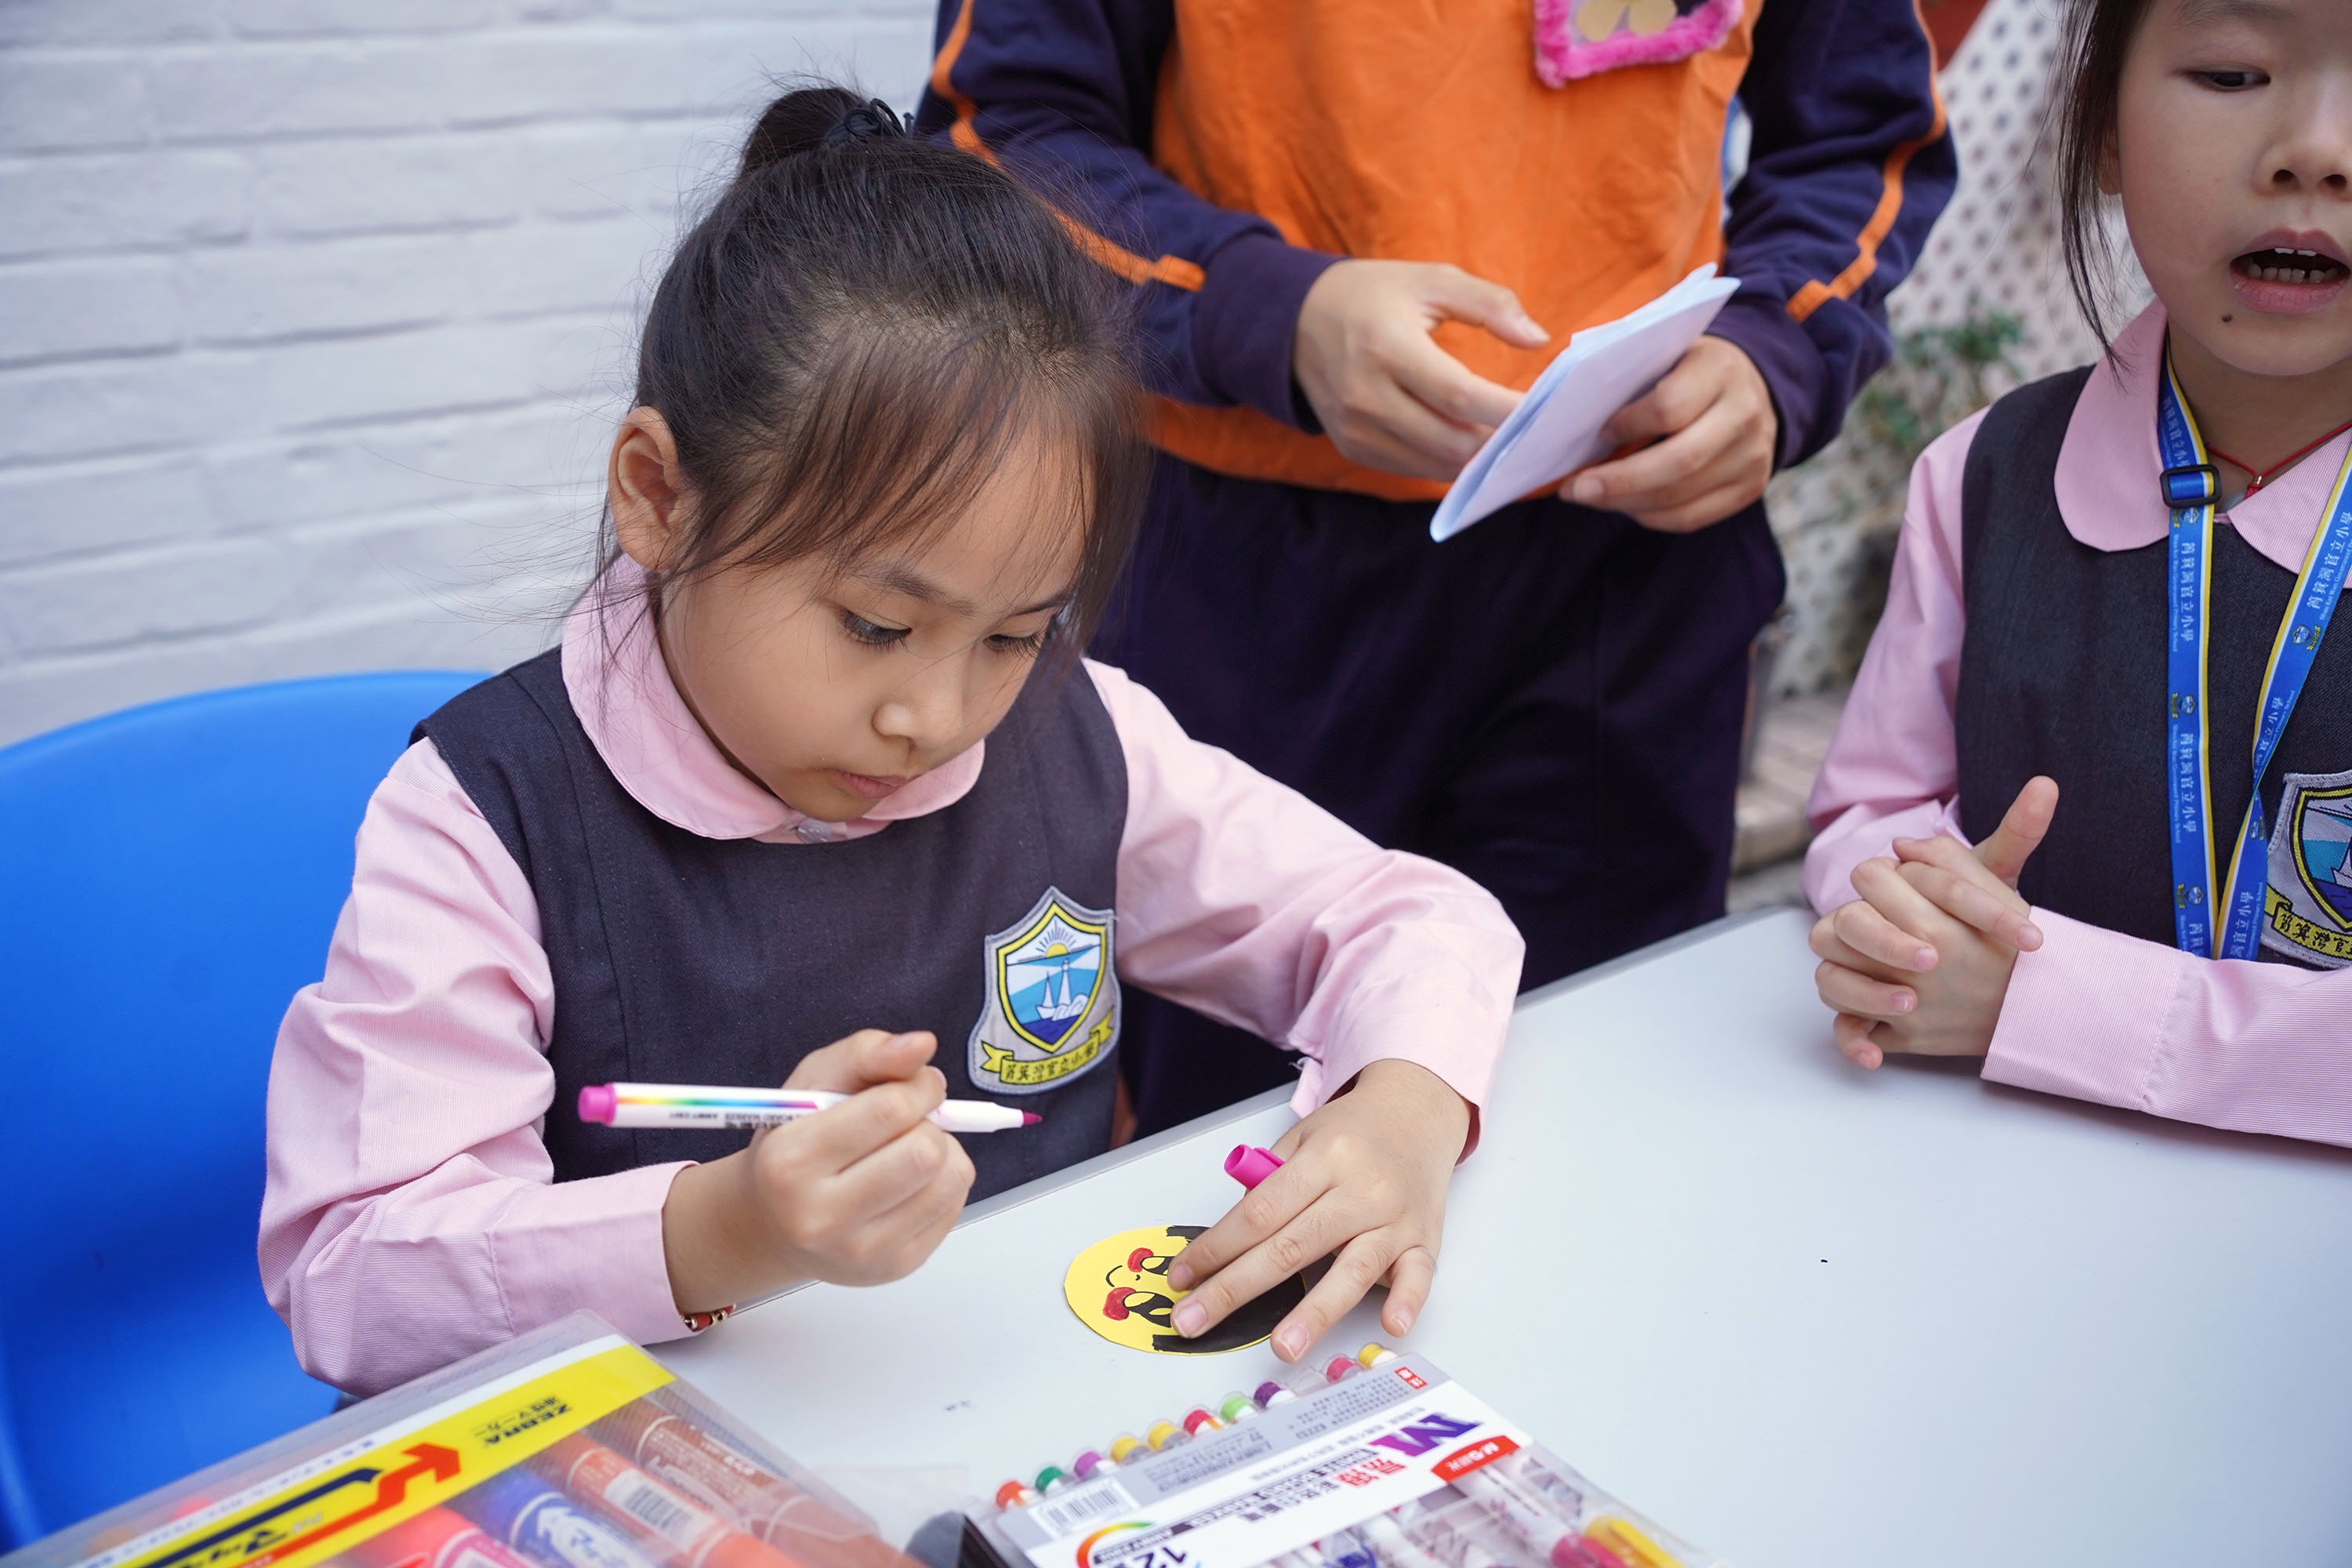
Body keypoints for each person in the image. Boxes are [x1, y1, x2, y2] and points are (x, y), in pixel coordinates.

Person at [260, 87, 1523, 1395]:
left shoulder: (1078, 738)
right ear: (659, 496)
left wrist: (1406, 1101)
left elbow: (1410, 915)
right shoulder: (488, 818)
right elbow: (351, 1280)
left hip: (1027, 1412)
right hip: (665, 1460)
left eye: (1014, 633)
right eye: (875, 625)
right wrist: (726, 1230)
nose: (936, 718)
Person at [914, 0, 1955, 1134]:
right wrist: (1266, 309)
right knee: (1238, 1122)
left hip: (1626, 562)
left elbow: (1862, 131)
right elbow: (1003, 133)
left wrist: (1775, 346)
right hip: (1252, 567)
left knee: (1603, 1087)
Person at [1804, 0, 2352, 1138]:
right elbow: (1871, 809)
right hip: (1980, 1181)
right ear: (2101, 130)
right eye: (2231, 73)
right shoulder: (1984, 474)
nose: (2315, 151)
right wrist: (1908, 923)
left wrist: (2051, 1004)